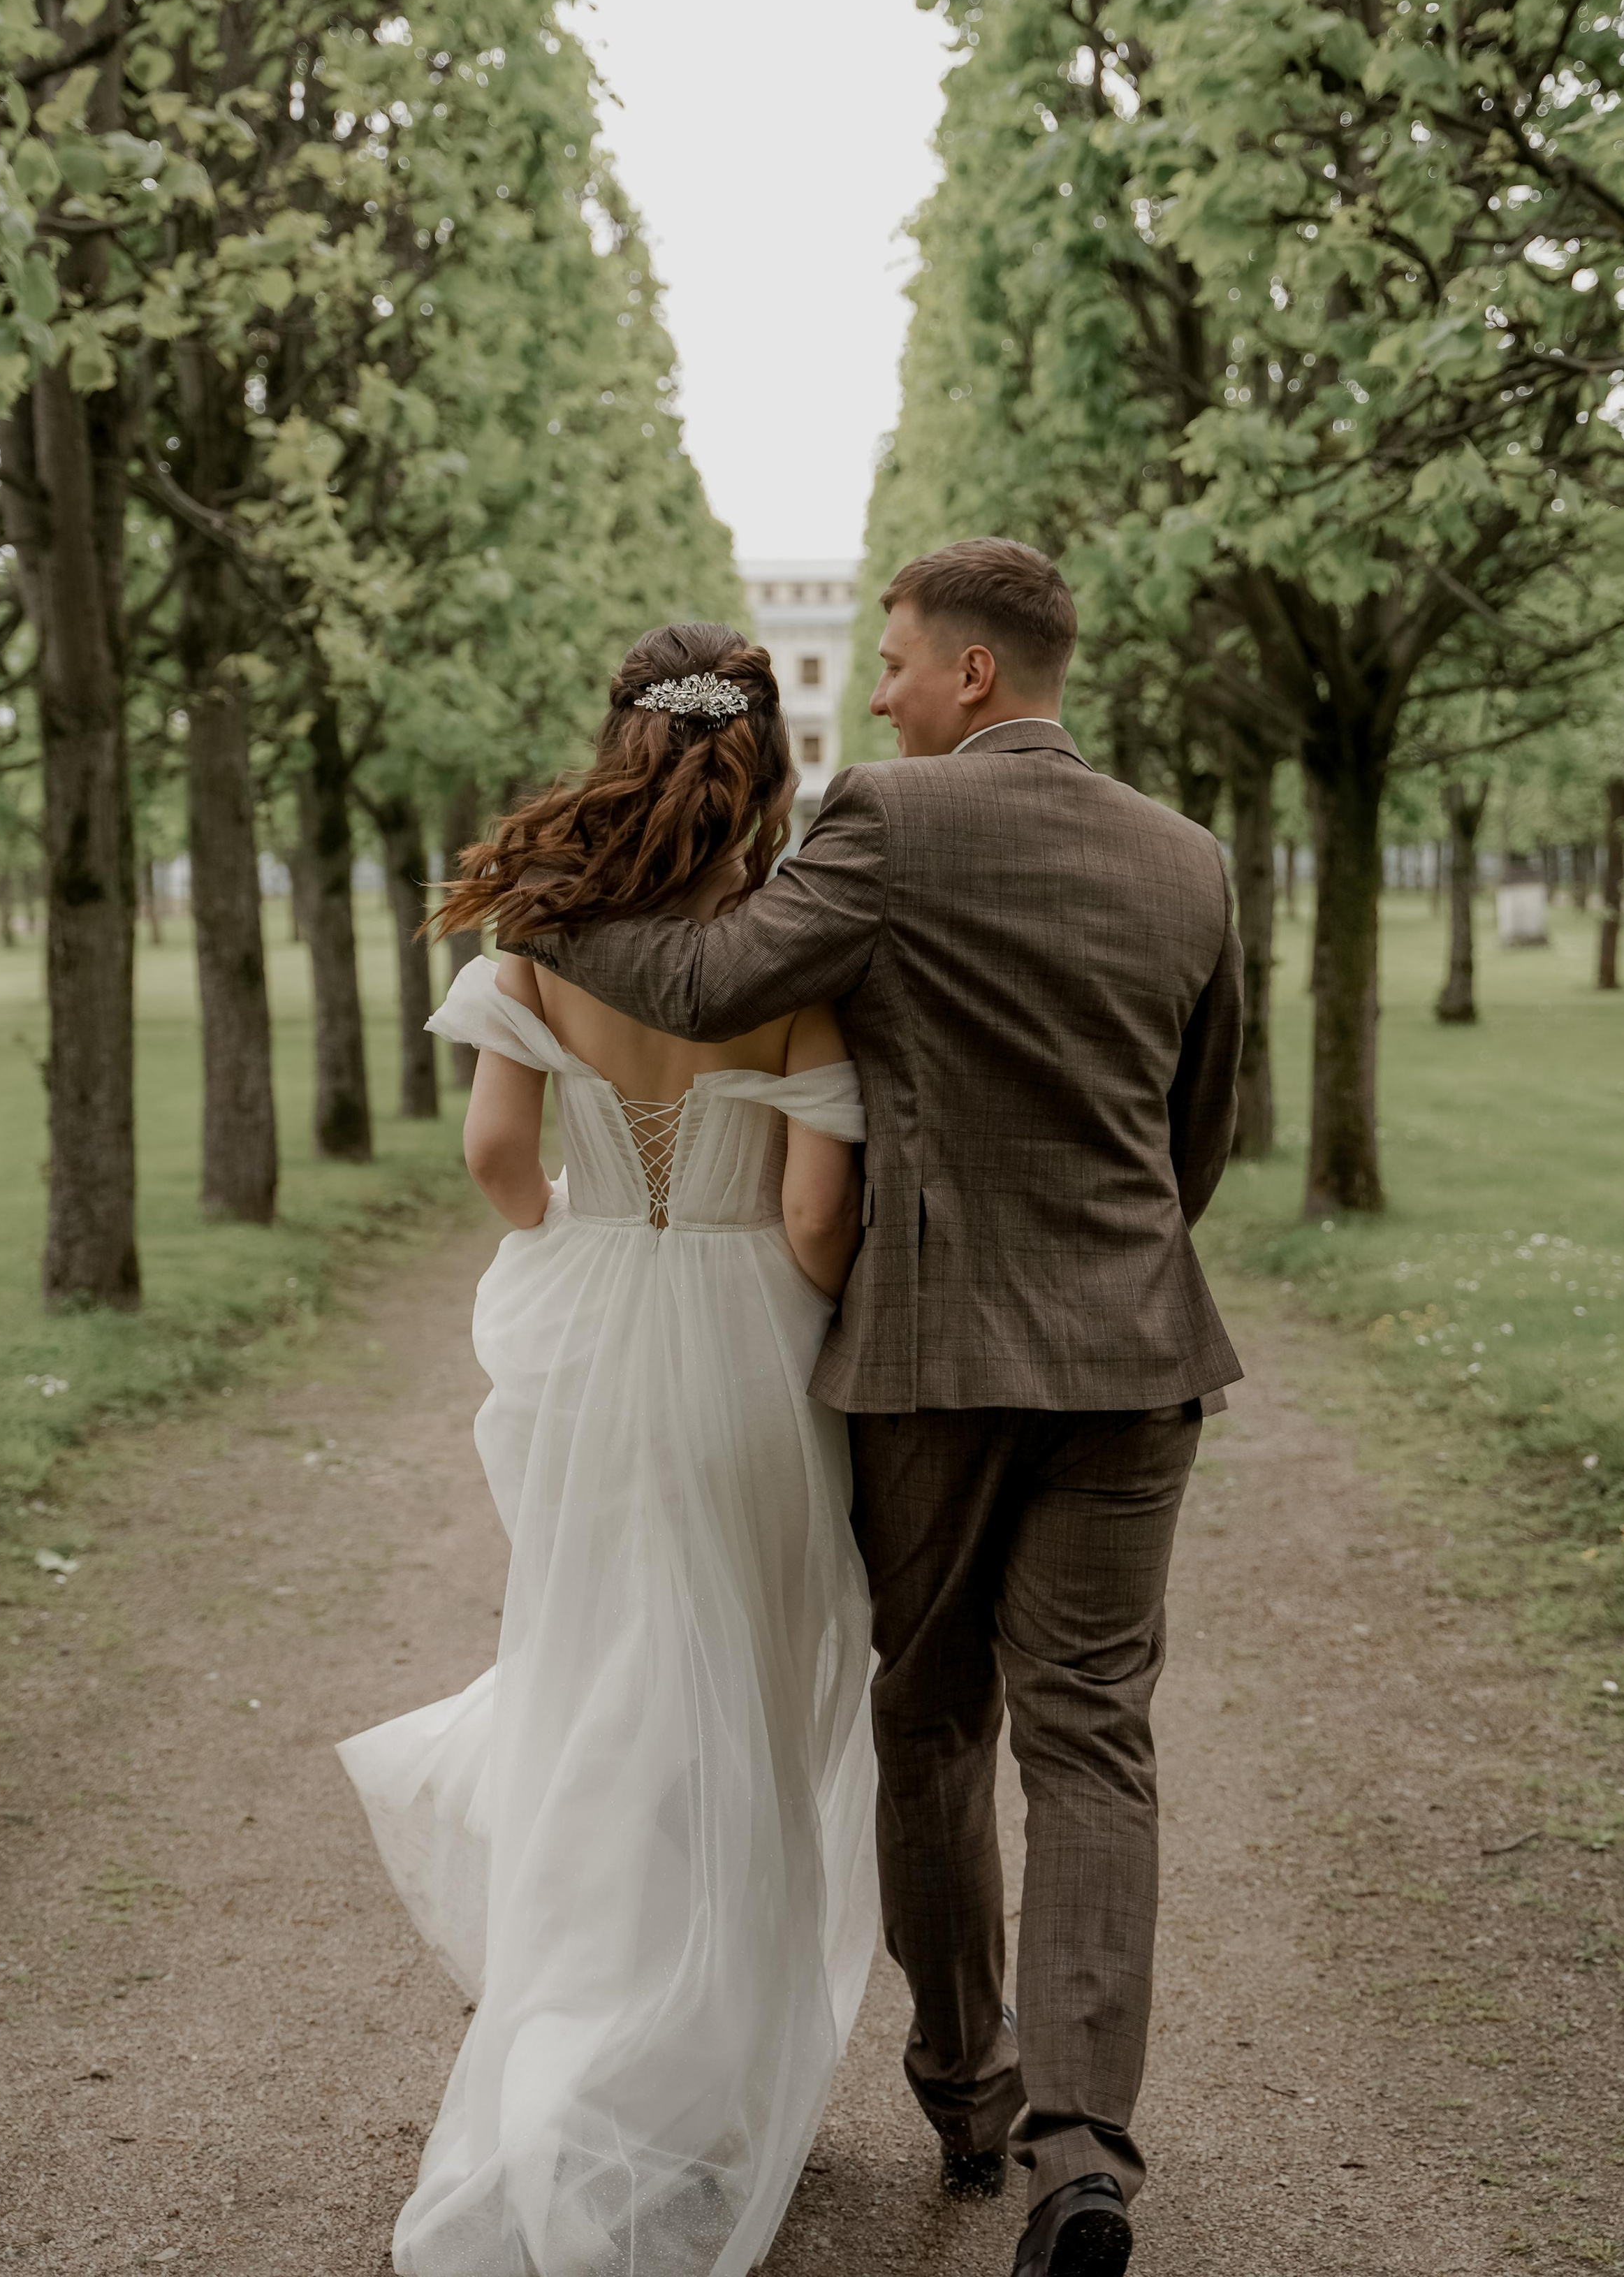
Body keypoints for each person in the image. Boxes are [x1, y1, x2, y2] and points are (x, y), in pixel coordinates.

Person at [509, 539, 1244, 2277]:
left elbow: (709, 986)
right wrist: (1113, 1270)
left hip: (927, 1365)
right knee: (1093, 1740)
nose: (886, 692)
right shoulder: (1189, 857)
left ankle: (970, 2093)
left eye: (898, 661)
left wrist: (539, 899)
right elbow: (1198, 1131)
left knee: (929, 1723)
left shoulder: (885, 821)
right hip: (1134, 1357)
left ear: (970, 671)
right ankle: (1081, 2159)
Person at [337, 623, 878, 2277]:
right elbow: (814, 1221)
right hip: (746, 1345)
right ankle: (702, 2077)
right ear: (762, 763)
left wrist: (584, 1221)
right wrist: (766, 1295)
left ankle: (578, 2048)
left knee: (599, 1676)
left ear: (618, 741)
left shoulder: (537, 942)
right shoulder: (786, 958)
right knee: (742, 1702)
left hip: (590, 1331)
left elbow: (499, 1162)